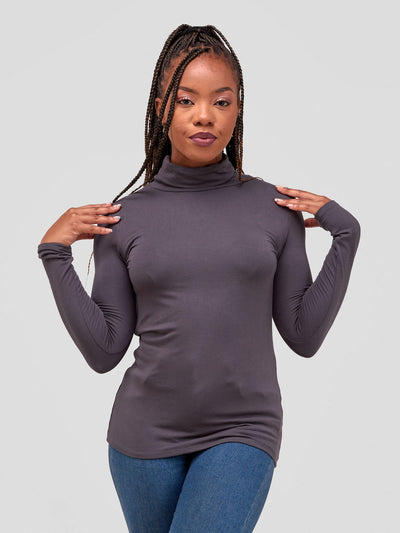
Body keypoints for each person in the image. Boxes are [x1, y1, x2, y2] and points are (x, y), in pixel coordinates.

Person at [37, 24, 361, 533]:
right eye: (186, 100)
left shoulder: (273, 209)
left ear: (238, 110)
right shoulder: (123, 219)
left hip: (244, 428)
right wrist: (54, 254)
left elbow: (303, 334)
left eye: (221, 101)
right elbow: (104, 351)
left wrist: (347, 234)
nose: (204, 115)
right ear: (161, 108)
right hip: (142, 440)